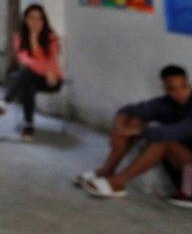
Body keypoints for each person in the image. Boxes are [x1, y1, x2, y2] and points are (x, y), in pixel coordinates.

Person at [78, 65, 192, 205]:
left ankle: (116, 183)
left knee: (163, 141)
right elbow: (129, 110)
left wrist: (137, 131)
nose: (180, 93)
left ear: (189, 84)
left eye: (184, 86)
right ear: (165, 89)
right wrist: (119, 127)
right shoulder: (166, 103)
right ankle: (108, 170)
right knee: (134, 120)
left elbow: (181, 130)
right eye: (173, 89)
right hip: (185, 168)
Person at [0, 4, 63, 141]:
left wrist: (47, 69)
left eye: (39, 19)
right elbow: (26, 60)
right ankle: (28, 126)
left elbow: (51, 59)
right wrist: (33, 40)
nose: (35, 22)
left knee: (26, 74)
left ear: (44, 21)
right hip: (34, 76)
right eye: (32, 18)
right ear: (25, 20)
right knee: (28, 82)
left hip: (52, 80)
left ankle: (4, 103)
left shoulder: (51, 37)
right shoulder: (19, 38)